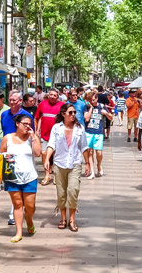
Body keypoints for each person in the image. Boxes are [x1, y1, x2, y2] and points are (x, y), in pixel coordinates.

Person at [44, 103, 90, 231]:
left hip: (75, 163)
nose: (73, 115)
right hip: (59, 164)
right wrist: (47, 159)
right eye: (70, 113)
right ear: (63, 114)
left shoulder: (79, 129)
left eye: (74, 112)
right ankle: (63, 218)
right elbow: (51, 144)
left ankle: (72, 219)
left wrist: (87, 164)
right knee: (61, 193)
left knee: (73, 191)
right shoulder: (56, 128)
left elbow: (84, 147)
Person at [0, 113, 42, 242]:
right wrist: (4, 158)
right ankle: (18, 232)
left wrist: (33, 136)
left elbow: (38, 153)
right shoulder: (8, 138)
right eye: (25, 124)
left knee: (30, 206)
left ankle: (29, 220)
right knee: (17, 204)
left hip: (29, 177)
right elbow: (1, 154)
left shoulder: (32, 138)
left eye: (29, 124)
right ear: (17, 124)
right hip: (12, 177)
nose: (27, 127)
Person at [0, 91, 33, 223]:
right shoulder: (4, 115)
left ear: (20, 101)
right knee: (12, 182)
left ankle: (21, 211)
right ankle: (14, 211)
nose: (12, 103)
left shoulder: (26, 116)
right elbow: (4, 132)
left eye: (14, 100)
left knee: (23, 188)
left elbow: (31, 134)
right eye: (10, 100)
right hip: (9, 154)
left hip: (23, 152)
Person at [35, 89, 63, 185]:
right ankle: (47, 174)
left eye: (54, 95)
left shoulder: (61, 106)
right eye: (51, 94)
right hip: (45, 134)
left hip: (57, 136)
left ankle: (56, 175)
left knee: (56, 155)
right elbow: (37, 117)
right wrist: (37, 130)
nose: (52, 96)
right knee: (44, 153)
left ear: (57, 97)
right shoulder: (42, 104)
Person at [83, 91, 113, 179]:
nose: (93, 101)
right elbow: (86, 118)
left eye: (95, 99)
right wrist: (91, 108)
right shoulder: (86, 107)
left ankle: (99, 165)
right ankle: (92, 172)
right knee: (90, 152)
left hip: (99, 132)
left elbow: (111, 117)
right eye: (91, 100)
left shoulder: (102, 106)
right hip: (88, 132)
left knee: (99, 153)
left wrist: (106, 113)